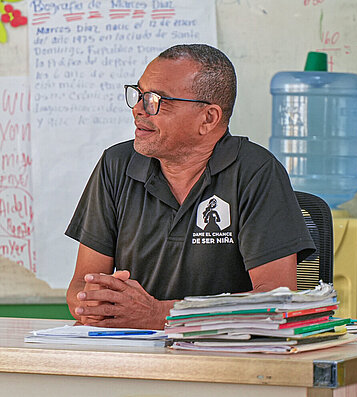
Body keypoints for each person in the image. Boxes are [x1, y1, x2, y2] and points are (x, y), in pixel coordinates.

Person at [65, 44, 315, 330]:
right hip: (130, 353)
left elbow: (276, 299)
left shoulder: (256, 172)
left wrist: (161, 315)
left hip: (224, 356)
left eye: (156, 100)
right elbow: (80, 285)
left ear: (208, 118)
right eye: (139, 94)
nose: (138, 110)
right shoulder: (116, 165)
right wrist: (93, 303)